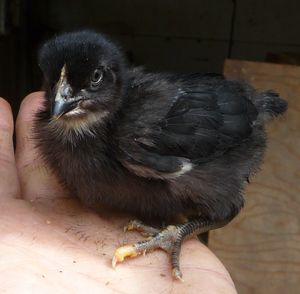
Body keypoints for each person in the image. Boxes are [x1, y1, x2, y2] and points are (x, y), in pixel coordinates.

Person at [0, 92, 237, 293]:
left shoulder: (144, 138)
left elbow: (227, 207)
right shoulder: (70, 148)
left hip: (226, 129)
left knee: (214, 201)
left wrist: (180, 232)